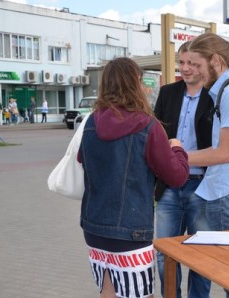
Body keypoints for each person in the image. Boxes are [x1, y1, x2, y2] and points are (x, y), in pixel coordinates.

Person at [77, 57, 189, 298]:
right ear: (135, 83)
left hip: (94, 226)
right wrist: (177, 149)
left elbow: (82, 160)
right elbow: (177, 176)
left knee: (107, 292)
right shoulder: (148, 126)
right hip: (131, 231)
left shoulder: (89, 123)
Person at [187, 32, 229, 298]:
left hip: (228, 193)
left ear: (215, 61)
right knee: (223, 270)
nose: (192, 72)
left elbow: (224, 153)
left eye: (197, 65)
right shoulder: (225, 91)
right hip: (218, 190)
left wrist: (181, 156)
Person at [153, 41, 213, 298]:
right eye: (181, 62)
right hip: (170, 186)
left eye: (191, 63)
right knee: (164, 254)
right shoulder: (167, 93)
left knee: (202, 255)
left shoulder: (215, 95)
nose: (185, 68)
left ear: (204, 64)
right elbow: (155, 135)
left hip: (203, 186)